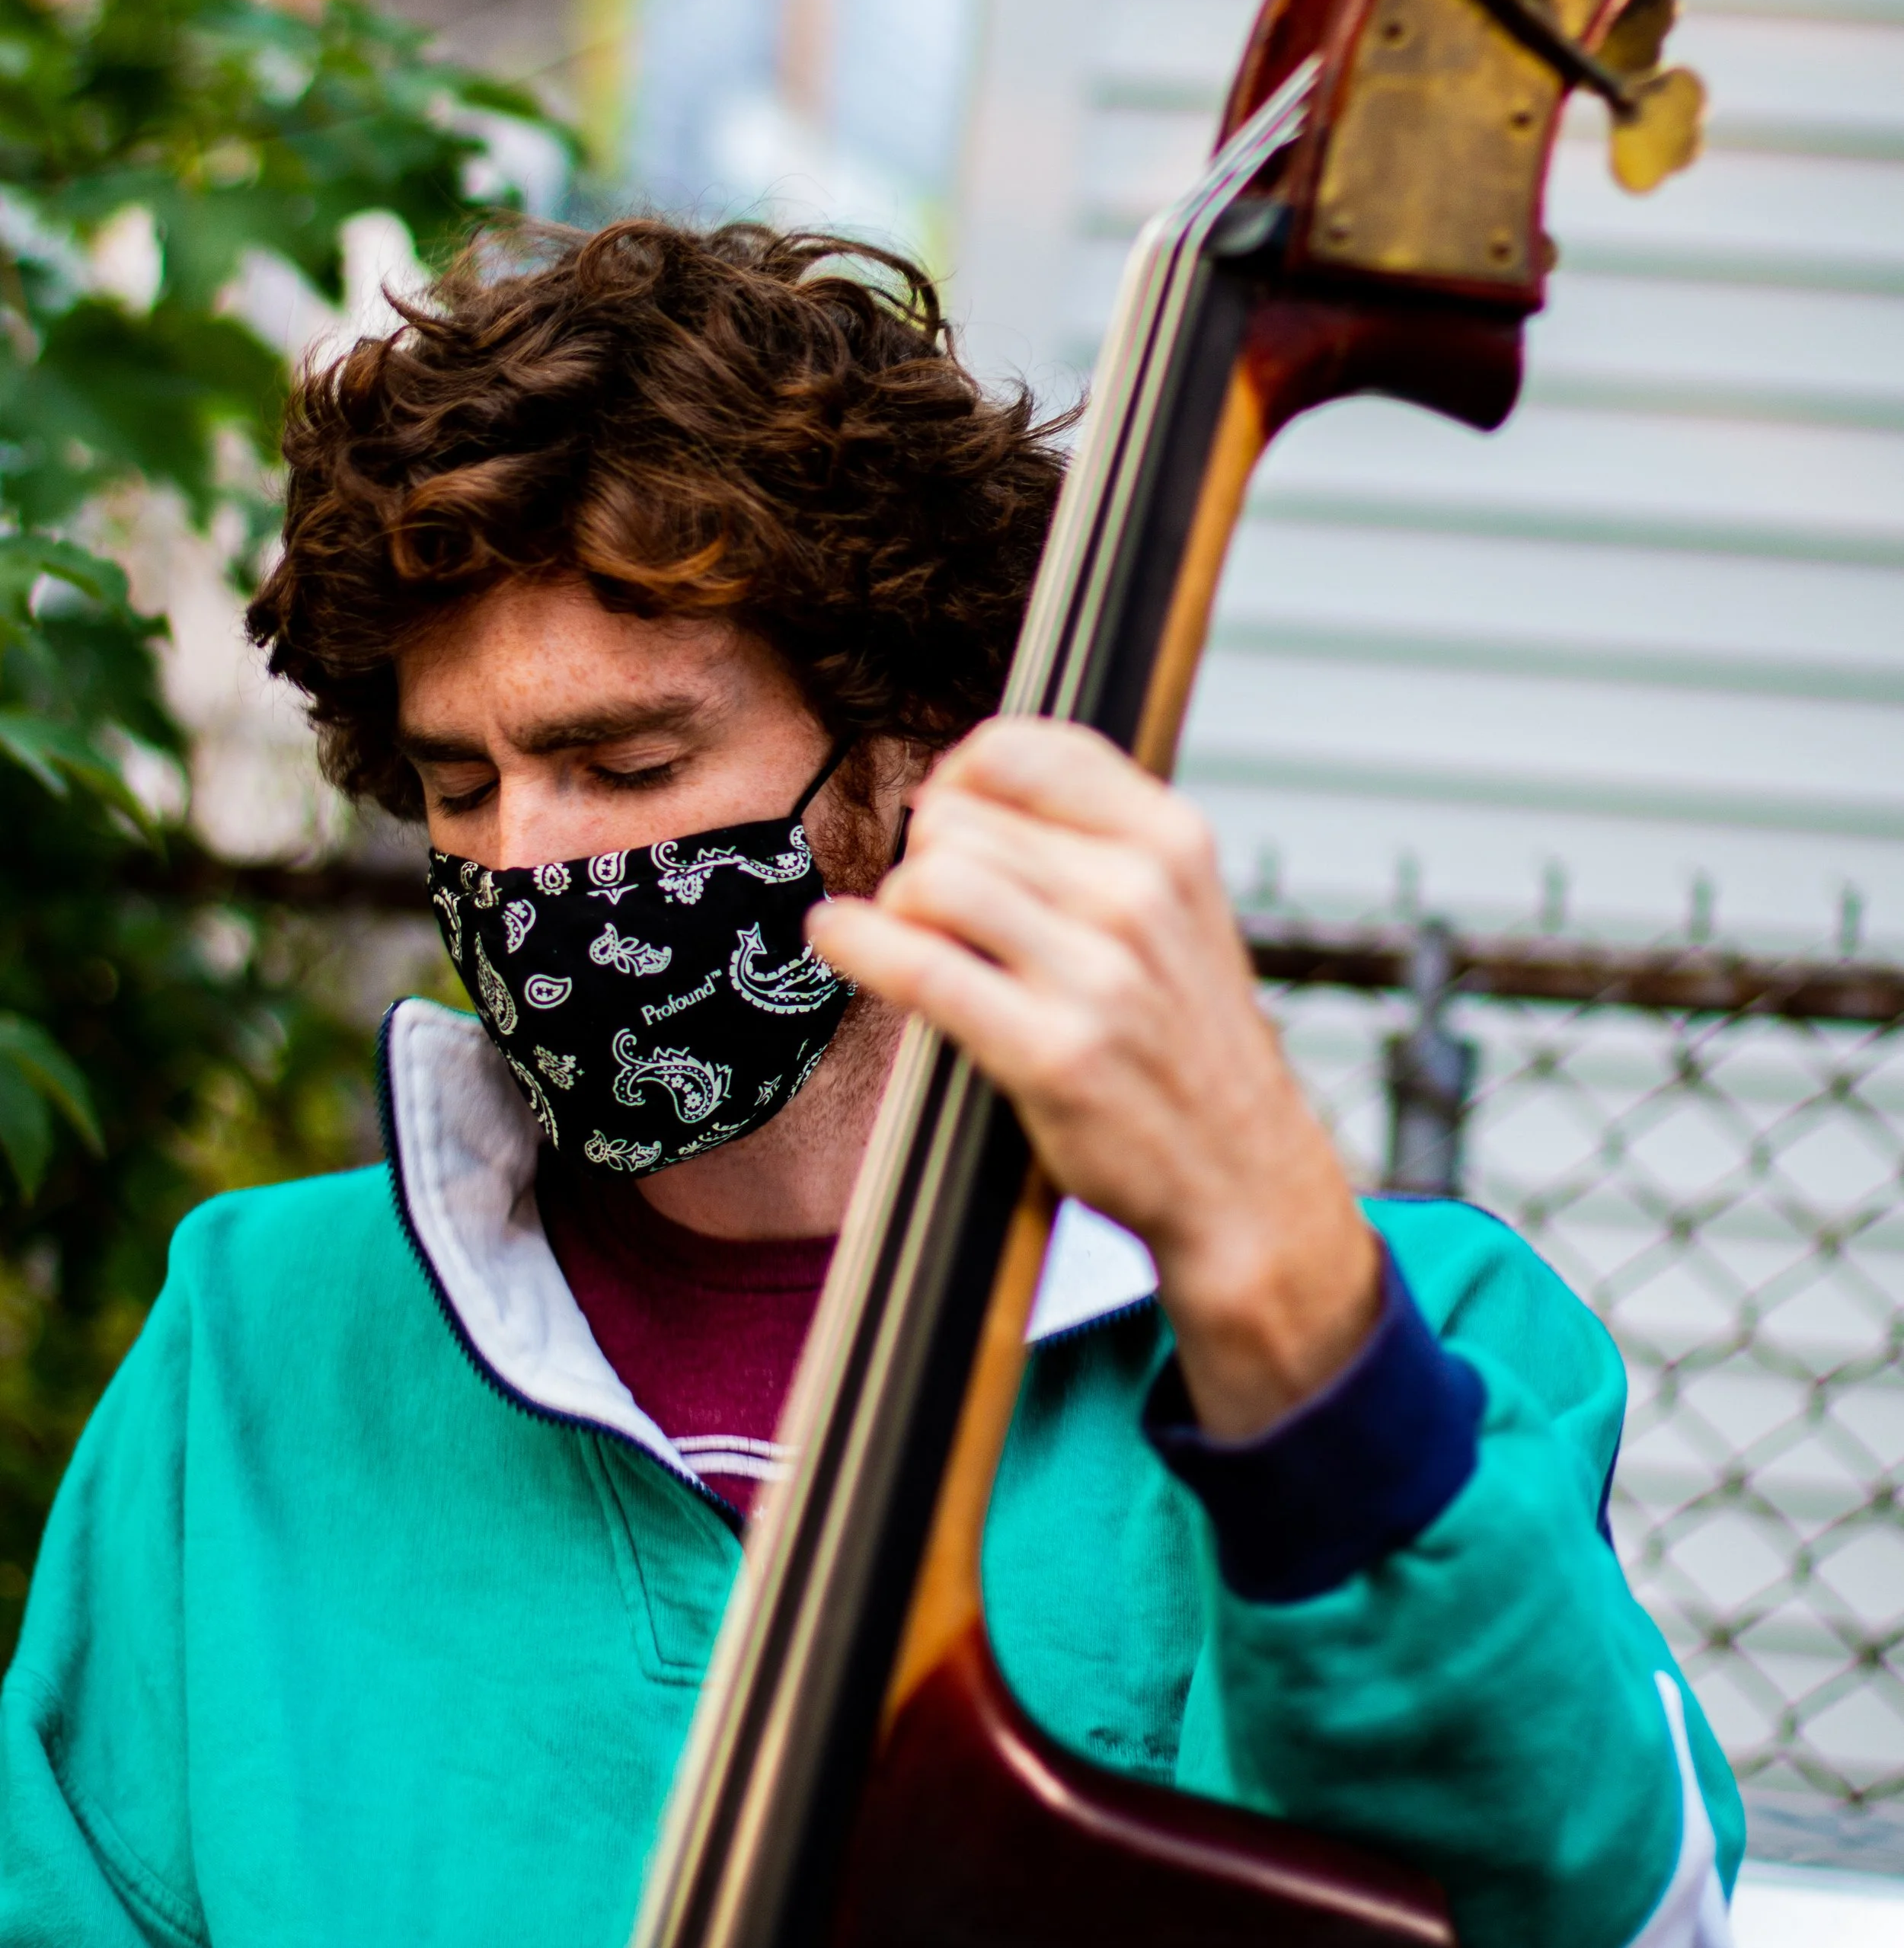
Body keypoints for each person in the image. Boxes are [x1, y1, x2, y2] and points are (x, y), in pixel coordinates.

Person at [0, 222, 1741, 1948]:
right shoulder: (258, 1333)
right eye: (458, 783)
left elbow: (1600, 1911)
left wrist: (1286, 1304)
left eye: (626, 760)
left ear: (913, 743)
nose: (525, 862)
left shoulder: (1401, 1342)